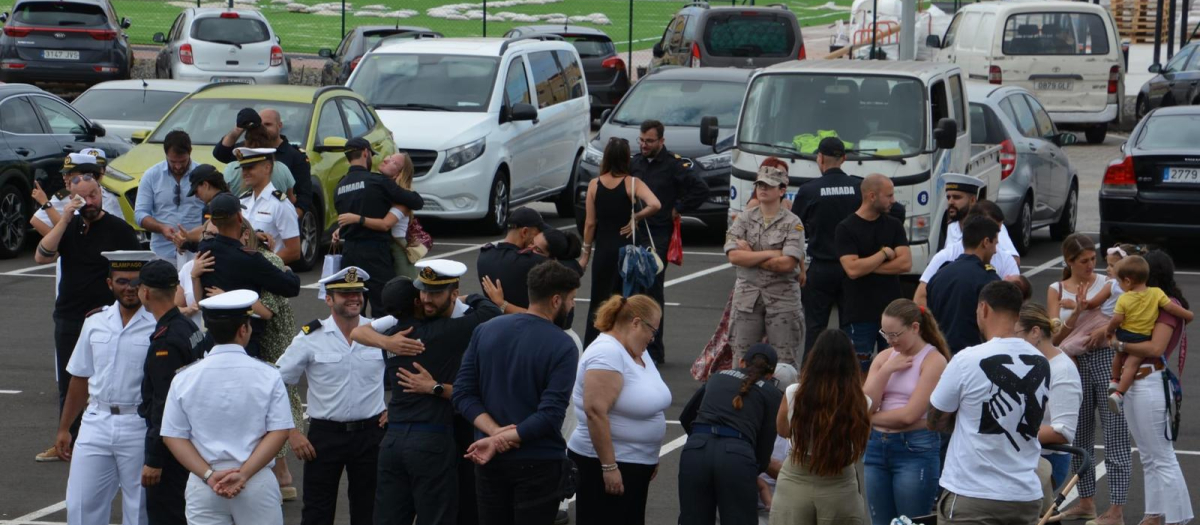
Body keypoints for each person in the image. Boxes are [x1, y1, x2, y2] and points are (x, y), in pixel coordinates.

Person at [364, 265, 503, 525]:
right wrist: (468, 297)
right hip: (431, 441)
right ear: (416, 300)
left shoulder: (391, 339)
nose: (427, 299)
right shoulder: (440, 334)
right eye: (423, 294)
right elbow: (490, 312)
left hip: (392, 442)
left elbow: (361, 331)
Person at [454, 261, 581, 525]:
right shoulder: (563, 344)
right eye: (572, 299)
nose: (573, 305)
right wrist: (502, 438)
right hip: (538, 462)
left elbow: (463, 394)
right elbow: (550, 416)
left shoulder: (485, 330)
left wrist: (493, 433)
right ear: (556, 300)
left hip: (489, 461)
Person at [160, 290, 294, 525]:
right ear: (243, 329)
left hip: (204, 483)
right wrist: (243, 474)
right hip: (255, 481)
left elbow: (173, 436)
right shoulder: (268, 375)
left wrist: (209, 475)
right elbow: (280, 431)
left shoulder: (184, 377)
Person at [34, 176, 140, 462]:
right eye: (82, 198)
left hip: (107, 318)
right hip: (69, 316)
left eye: (93, 195)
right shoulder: (68, 226)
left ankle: (102, 441)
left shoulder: (119, 230)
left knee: (107, 378)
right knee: (68, 381)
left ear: (100, 194)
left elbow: (139, 272)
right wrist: (64, 219)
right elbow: (42, 256)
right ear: (73, 198)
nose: (90, 203)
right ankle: (66, 439)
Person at [928, 281, 1050, 525]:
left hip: (973, 494)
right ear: (1018, 313)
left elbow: (934, 419)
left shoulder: (967, 359)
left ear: (983, 308)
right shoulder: (1040, 361)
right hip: (1024, 494)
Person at [275, 267, 386, 525]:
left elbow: (404, 370)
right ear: (328, 299)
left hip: (371, 434)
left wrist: (396, 409)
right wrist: (291, 431)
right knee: (317, 512)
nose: (354, 298)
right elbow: (276, 383)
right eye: (345, 294)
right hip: (325, 437)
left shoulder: (380, 332)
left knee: (368, 511)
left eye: (358, 293)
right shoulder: (310, 337)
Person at [54, 251, 158, 525]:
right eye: (122, 281)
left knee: (139, 510)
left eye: (136, 282)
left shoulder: (158, 326)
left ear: (146, 286)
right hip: (95, 422)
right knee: (80, 505)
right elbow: (80, 378)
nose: (130, 288)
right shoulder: (95, 322)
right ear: (109, 283)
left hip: (138, 424)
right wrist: (65, 428)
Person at [1046, 234, 1129, 525]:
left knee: (1115, 434)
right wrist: (1078, 311)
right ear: (1069, 262)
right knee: (1078, 435)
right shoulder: (1056, 289)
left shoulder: (1108, 283)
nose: (1091, 265)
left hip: (1107, 360)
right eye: (1084, 261)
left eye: (1093, 259)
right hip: (1072, 363)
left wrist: (1105, 326)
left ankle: (1117, 510)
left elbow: (1127, 314)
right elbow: (1053, 338)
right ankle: (1086, 502)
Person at [568, 294, 671, 525]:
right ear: (635, 323)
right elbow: (595, 411)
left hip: (634, 463)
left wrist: (649, 454)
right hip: (604, 463)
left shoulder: (637, 352)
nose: (652, 338)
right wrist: (609, 466)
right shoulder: (606, 353)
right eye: (652, 331)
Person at [1116, 249, 1193, 525]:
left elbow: (1156, 347)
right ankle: (1155, 513)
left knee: (1162, 456)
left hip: (1150, 382)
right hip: (1138, 382)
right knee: (1149, 456)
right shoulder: (1148, 302)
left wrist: (1120, 344)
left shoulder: (1166, 304)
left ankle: (1178, 518)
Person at [137, 259, 213, 525]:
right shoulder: (187, 326)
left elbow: (163, 402)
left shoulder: (166, 340)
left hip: (172, 447)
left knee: (166, 514)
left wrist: (154, 459)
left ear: (144, 292)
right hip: (193, 437)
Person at [861, 299, 950, 525]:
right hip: (876, 447)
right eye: (885, 334)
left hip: (914, 448)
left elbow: (909, 415)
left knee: (911, 521)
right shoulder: (884, 358)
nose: (890, 341)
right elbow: (864, 404)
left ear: (915, 328)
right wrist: (885, 372)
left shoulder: (933, 360)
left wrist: (868, 417)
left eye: (895, 334)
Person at [769, 330, 870, 525]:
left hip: (796, 479)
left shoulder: (793, 393)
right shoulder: (862, 402)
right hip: (840, 482)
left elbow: (783, 431)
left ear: (813, 360)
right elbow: (861, 440)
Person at [631, 119, 709, 363]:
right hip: (635, 232)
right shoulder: (634, 163)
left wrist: (678, 207)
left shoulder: (674, 165)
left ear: (661, 141)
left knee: (653, 291)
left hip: (660, 233)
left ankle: (654, 350)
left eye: (650, 141)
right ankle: (632, 344)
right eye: (641, 140)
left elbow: (701, 189)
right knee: (633, 291)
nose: (644, 145)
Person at [677, 344, 781, 525]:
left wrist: (699, 441)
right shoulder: (772, 393)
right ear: (771, 374)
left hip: (696, 450)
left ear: (741, 362)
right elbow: (764, 446)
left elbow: (687, 417)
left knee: (692, 519)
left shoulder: (717, 377)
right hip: (737, 456)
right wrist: (752, 469)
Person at [193, 193, 301, 359]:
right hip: (243, 341)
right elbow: (291, 287)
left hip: (212, 338)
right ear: (239, 217)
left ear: (213, 221)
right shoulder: (249, 258)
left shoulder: (205, 249)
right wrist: (287, 271)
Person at [580, 138, 662, 347]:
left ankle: (594, 345)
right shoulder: (632, 183)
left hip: (603, 251)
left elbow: (590, 224)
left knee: (599, 301)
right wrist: (636, 217)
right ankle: (627, 345)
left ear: (606, 157)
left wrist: (585, 254)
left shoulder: (594, 185)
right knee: (627, 302)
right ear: (626, 158)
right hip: (626, 253)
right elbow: (655, 204)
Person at [724, 164, 805, 366]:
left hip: (782, 298)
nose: (763, 189)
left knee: (785, 363)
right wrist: (770, 253)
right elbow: (734, 256)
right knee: (741, 359)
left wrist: (751, 255)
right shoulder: (744, 217)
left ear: (782, 190)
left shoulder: (793, 223)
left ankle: (782, 399)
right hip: (747, 298)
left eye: (768, 185)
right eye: (760, 184)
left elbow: (787, 264)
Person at [333, 137, 424, 317]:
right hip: (375, 252)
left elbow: (345, 215)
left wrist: (341, 229)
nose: (383, 160)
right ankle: (382, 342)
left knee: (353, 305)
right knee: (383, 303)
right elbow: (416, 201)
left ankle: (357, 340)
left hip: (349, 251)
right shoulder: (377, 182)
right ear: (366, 153)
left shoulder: (340, 185)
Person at [791, 138, 862, 353]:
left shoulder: (809, 190)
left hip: (821, 267)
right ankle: (848, 376)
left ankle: (810, 377)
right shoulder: (859, 187)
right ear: (844, 159)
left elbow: (794, 225)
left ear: (819, 158)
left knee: (815, 328)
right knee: (850, 329)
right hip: (852, 268)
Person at [835, 173, 910, 371]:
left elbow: (905, 264)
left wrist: (866, 266)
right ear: (871, 196)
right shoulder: (846, 228)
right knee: (858, 370)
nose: (893, 201)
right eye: (889, 195)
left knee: (896, 366)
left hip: (892, 314)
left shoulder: (893, 225)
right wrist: (884, 253)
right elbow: (852, 270)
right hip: (859, 313)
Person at [1103, 255, 1192, 414]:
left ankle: (1115, 383)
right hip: (1138, 377)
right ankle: (1118, 390)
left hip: (1148, 382)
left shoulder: (1127, 298)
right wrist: (1188, 315)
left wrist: (1117, 341)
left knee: (1151, 439)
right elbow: (1174, 309)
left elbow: (1155, 349)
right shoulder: (1157, 295)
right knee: (1129, 364)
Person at [1016, 303, 1081, 492]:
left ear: (1035, 332)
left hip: (1047, 461)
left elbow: (1062, 432)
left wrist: (1009, 433)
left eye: (1015, 335)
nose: (1010, 342)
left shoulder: (1062, 371)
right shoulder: (1028, 361)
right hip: (1025, 455)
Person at [915, 195, 1020, 307]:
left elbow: (1015, 302)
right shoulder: (945, 256)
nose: (998, 239)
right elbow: (920, 297)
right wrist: (934, 323)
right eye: (994, 231)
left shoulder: (1006, 260)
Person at [214, 108, 313, 217]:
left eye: (268, 124)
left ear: (279, 125)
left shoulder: (295, 156)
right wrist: (237, 130)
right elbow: (220, 154)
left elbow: (304, 195)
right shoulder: (243, 151)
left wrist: (291, 217)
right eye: (259, 124)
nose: (262, 128)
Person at [926, 214, 1002, 354]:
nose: (995, 250)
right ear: (985, 242)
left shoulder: (939, 275)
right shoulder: (987, 279)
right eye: (995, 244)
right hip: (974, 357)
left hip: (941, 356)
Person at [338, 152, 419, 278]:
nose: (386, 159)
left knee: (403, 289)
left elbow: (385, 224)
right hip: (380, 247)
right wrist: (342, 228)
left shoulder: (403, 199)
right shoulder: (377, 187)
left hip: (396, 248)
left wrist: (356, 219)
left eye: (394, 162)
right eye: (389, 157)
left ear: (399, 174)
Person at [134, 130, 203, 265]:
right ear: (165, 154)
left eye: (182, 161)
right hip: (162, 252)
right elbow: (140, 214)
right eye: (172, 161)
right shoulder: (151, 175)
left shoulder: (203, 174)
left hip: (197, 253)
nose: (178, 166)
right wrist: (161, 228)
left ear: (190, 151)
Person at [235, 147, 301, 263]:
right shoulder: (242, 201)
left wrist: (262, 265)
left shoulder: (281, 204)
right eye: (243, 168)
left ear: (267, 168)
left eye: (250, 168)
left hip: (268, 275)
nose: (245, 173)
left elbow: (293, 251)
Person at [31, 153, 122, 236]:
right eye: (64, 173)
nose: (65, 177)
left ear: (88, 175)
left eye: (70, 174)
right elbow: (36, 220)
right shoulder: (66, 195)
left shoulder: (107, 198)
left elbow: (113, 230)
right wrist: (60, 247)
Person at [476, 207, 549, 311]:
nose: (536, 241)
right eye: (536, 235)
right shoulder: (535, 262)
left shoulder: (484, 256)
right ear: (524, 232)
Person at [939, 173, 1019, 265]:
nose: (950, 202)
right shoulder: (952, 227)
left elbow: (1015, 260)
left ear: (972, 200)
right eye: (948, 197)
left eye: (956, 197)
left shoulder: (990, 225)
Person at [753, 363, 797, 525]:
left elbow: (794, 473)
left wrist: (759, 459)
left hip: (776, 509)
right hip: (752, 503)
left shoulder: (793, 429)